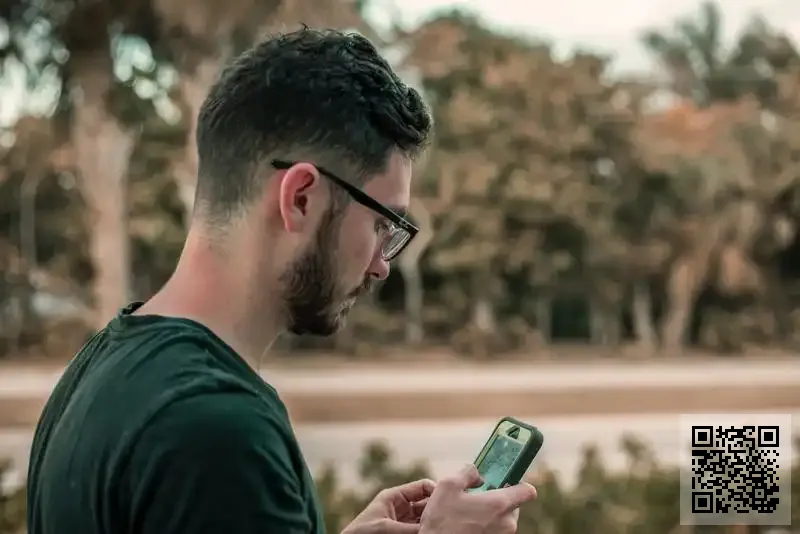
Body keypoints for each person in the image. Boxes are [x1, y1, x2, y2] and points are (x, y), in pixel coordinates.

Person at [26, 27, 537, 534]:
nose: (381, 264)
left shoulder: (102, 366)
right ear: (300, 198)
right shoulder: (218, 430)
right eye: (383, 224)